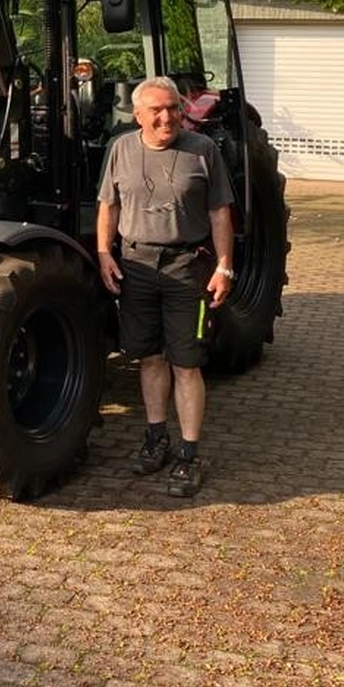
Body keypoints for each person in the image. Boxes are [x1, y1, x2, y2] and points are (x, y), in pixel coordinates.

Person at [96, 76, 236, 497]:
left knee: (186, 363)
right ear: (137, 114)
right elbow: (109, 206)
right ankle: (156, 438)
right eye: (156, 109)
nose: (167, 116)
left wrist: (224, 266)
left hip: (186, 266)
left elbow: (219, 214)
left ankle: (189, 453)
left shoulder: (203, 150)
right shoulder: (120, 149)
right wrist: (104, 253)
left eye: (173, 108)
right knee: (150, 358)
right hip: (136, 265)